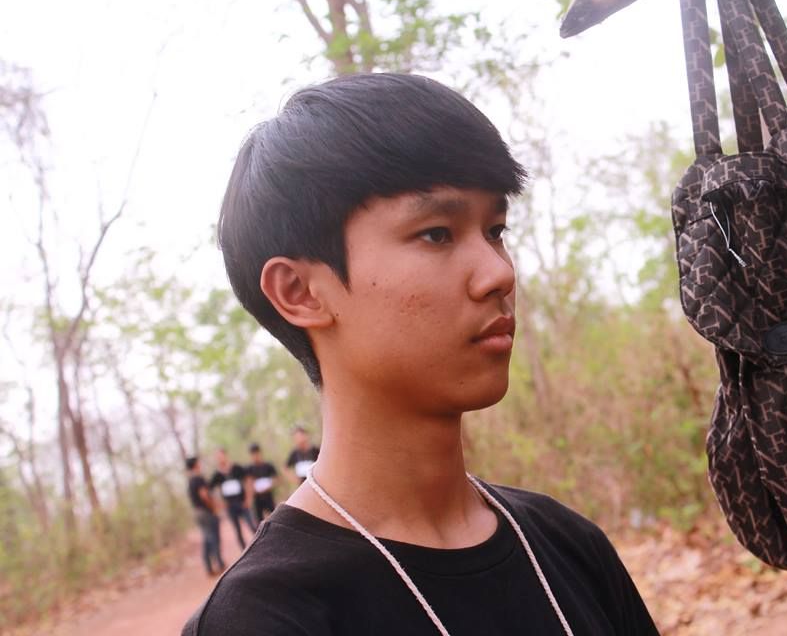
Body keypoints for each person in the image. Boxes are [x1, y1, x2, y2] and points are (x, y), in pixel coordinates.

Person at [183, 73, 658, 635]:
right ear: (300, 293)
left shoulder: (567, 545)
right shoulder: (261, 620)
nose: (499, 273)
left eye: (496, 230)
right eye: (437, 234)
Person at [209, 448, 257, 550]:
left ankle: (261, 544)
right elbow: (209, 490)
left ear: (225, 455)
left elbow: (248, 480)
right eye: (218, 457)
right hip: (230, 506)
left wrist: (249, 498)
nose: (220, 459)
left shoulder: (237, 468)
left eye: (221, 456)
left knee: (252, 525)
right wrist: (219, 504)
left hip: (242, 502)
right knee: (237, 530)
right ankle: (244, 552)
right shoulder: (217, 475)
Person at [185, 456, 224, 577]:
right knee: (214, 539)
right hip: (206, 512)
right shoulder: (198, 478)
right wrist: (214, 508)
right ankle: (220, 564)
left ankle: (209, 567)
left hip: (197, 513)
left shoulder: (190, 481)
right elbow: (204, 495)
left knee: (207, 540)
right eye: (198, 463)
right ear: (196, 465)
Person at [246, 442, 278, 524]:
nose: (255, 456)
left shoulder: (268, 466)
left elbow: (276, 479)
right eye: (253, 454)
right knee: (259, 522)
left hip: (268, 496)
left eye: (256, 453)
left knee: (275, 518)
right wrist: (251, 492)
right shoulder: (249, 468)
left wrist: (269, 485)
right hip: (257, 499)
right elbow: (248, 483)